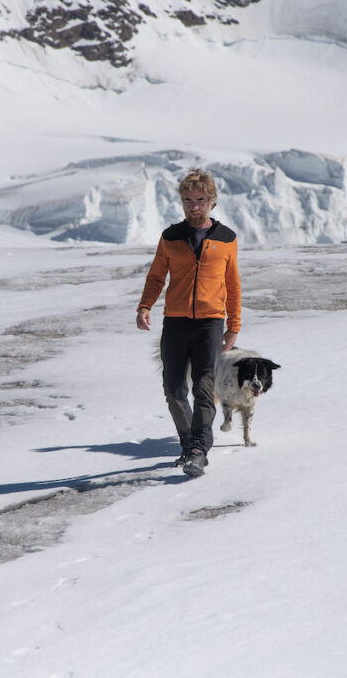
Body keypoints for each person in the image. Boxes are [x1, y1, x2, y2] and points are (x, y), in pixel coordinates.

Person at [136, 169, 241, 477]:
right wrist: (145, 306)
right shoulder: (171, 237)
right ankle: (188, 443)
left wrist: (233, 325)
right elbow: (156, 276)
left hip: (210, 323)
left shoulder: (226, 238)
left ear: (212, 201)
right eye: (188, 201)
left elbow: (232, 285)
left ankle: (199, 449)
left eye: (200, 200)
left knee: (204, 389)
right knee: (173, 389)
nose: (194, 207)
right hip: (176, 322)